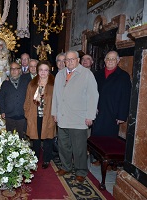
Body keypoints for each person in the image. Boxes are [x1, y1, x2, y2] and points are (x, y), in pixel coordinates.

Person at [51, 50, 99, 183]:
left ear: (78, 60)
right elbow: (55, 95)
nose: (69, 62)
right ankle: (66, 167)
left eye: (72, 59)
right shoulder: (60, 74)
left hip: (79, 118)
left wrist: (90, 115)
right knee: (63, 146)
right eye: (67, 60)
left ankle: (81, 171)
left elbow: (93, 96)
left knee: (79, 148)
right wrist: (54, 112)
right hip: (62, 117)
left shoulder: (86, 74)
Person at [24, 60, 56, 169]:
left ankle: (46, 159)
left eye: (45, 70)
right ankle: (36, 157)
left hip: (48, 116)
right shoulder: (32, 84)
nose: (43, 72)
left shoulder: (53, 84)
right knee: (35, 139)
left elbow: (58, 101)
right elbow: (27, 100)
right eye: (41, 70)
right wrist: (27, 113)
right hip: (34, 115)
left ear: (49, 71)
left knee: (48, 138)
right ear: (38, 71)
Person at [92, 51, 131, 138]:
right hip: (97, 112)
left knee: (108, 141)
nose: (110, 61)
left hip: (112, 113)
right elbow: (91, 93)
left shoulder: (123, 76)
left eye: (113, 59)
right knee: (95, 140)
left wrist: (122, 115)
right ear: (105, 61)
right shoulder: (97, 74)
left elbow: (126, 96)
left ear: (118, 61)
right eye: (108, 58)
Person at [0, 62, 29, 139]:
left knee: (21, 137)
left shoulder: (26, 81)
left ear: (20, 70)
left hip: (22, 114)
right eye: (12, 69)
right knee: (10, 137)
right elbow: (1, 98)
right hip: (9, 115)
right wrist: (2, 111)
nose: (14, 71)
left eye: (16, 69)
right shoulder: (5, 83)